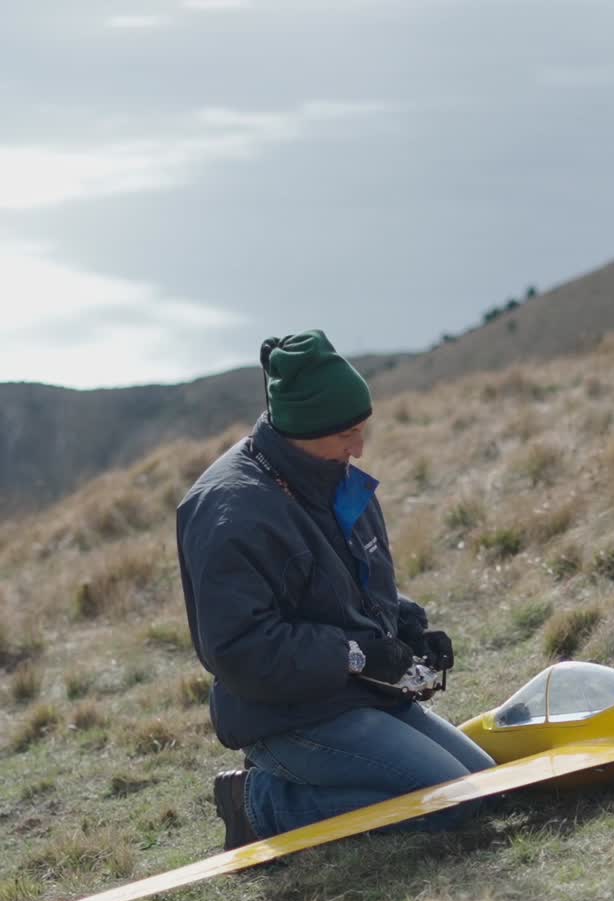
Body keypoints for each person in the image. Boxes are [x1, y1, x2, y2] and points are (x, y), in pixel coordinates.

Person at [177, 329, 495, 850]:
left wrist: (408, 628)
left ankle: (311, 787)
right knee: (454, 802)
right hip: (283, 715)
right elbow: (239, 650)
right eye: (347, 434)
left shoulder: (335, 478)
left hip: (358, 695)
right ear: (303, 428)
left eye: (362, 429)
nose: (360, 447)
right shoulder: (230, 513)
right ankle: (258, 805)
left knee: (489, 785)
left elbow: (352, 590)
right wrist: (355, 655)